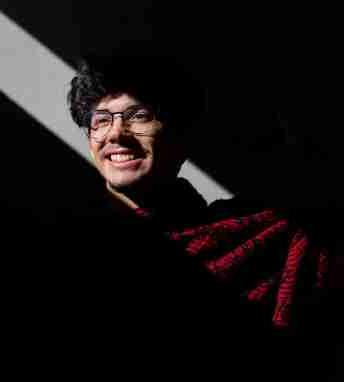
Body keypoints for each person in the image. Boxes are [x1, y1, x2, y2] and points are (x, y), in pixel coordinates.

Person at [66, 47, 342, 379]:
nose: (115, 135)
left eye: (138, 115)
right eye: (101, 121)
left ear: (180, 134)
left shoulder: (270, 238)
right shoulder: (67, 240)